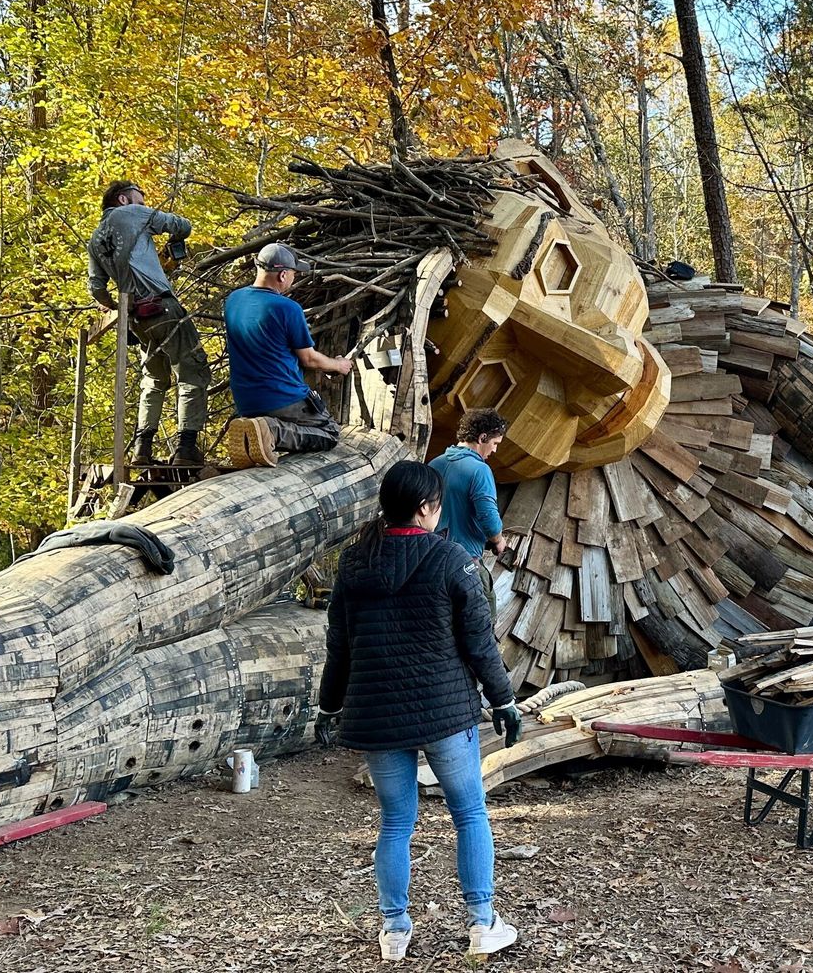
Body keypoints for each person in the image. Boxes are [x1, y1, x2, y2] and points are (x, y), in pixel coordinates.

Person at [315, 460, 524, 961]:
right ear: (428, 508)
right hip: (445, 713)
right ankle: (481, 923)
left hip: (378, 713)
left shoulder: (355, 561)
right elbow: (480, 646)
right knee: (469, 813)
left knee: (394, 822)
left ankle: (393, 931)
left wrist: (329, 704)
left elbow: (339, 643)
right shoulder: (454, 561)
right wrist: (504, 699)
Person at [88, 180, 208, 467]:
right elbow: (182, 226)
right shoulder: (130, 214)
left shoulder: (95, 238)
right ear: (123, 199)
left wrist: (121, 306)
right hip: (163, 307)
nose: (144, 205)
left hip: (136, 319)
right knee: (193, 370)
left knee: (154, 380)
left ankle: (142, 447)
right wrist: (170, 233)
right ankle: (186, 448)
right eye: (140, 201)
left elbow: (96, 288)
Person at [221, 243, 354, 467]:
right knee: (330, 433)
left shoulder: (234, 300)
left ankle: (253, 431)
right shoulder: (287, 308)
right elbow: (309, 359)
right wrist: (338, 365)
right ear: (283, 275)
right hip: (282, 398)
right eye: (293, 273)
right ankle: (272, 430)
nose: (293, 278)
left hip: (246, 401)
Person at [432, 410, 509, 570]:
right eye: (495, 443)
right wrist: (499, 541)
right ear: (482, 438)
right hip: (463, 559)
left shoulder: (434, 464)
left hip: (431, 555)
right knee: (487, 596)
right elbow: (488, 517)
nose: (494, 450)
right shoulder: (480, 470)